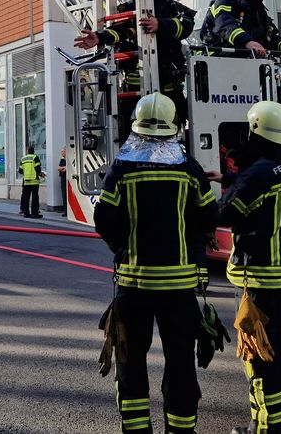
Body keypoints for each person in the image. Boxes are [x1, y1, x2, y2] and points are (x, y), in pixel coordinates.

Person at [94, 93, 219, 434]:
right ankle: (180, 429)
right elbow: (210, 216)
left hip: (133, 285)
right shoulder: (189, 167)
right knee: (180, 364)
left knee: (130, 361)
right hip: (179, 288)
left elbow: (103, 220)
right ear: (173, 125)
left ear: (136, 126)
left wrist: (122, 248)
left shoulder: (122, 167)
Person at [208, 101, 281, 434]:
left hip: (258, 280)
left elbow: (222, 213)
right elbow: (262, 184)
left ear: (256, 132)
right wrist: (231, 177)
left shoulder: (256, 176)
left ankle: (264, 427)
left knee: (257, 354)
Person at [75, 0, 196, 131]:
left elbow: (185, 26)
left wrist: (160, 25)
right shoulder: (132, 9)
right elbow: (119, 30)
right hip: (134, 93)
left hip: (169, 91)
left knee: (175, 133)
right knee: (129, 135)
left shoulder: (175, 9)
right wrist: (100, 37)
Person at [16, 146, 43, 218]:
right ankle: (34, 213)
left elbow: (20, 171)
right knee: (35, 197)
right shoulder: (35, 157)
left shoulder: (23, 159)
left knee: (26, 198)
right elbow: (38, 168)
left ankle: (26, 213)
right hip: (34, 181)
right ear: (33, 151)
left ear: (27, 151)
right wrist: (40, 174)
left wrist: (26, 172)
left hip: (26, 181)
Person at [57, 148, 67, 213]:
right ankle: (65, 210)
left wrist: (63, 168)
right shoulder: (62, 160)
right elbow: (58, 168)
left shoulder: (68, 159)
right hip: (63, 178)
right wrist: (64, 167)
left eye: (63, 151)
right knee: (64, 194)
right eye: (61, 151)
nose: (62, 152)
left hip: (67, 178)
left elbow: (67, 168)